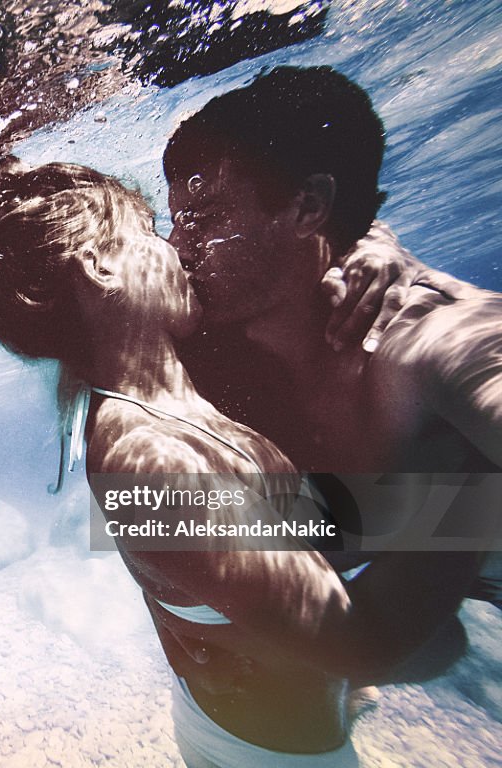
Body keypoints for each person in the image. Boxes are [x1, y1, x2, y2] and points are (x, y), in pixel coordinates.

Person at [0, 156, 415, 766]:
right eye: (149, 231)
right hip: (271, 755)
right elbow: (362, 640)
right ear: (100, 268)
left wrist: (375, 248)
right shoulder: (142, 461)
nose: (176, 246)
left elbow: (276, 524)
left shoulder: (155, 396)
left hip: (262, 721)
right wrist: (471, 519)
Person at [163, 66, 502, 681]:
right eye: (177, 218)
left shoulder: (423, 337)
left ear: (310, 206)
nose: (176, 246)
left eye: (203, 216)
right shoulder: (210, 327)